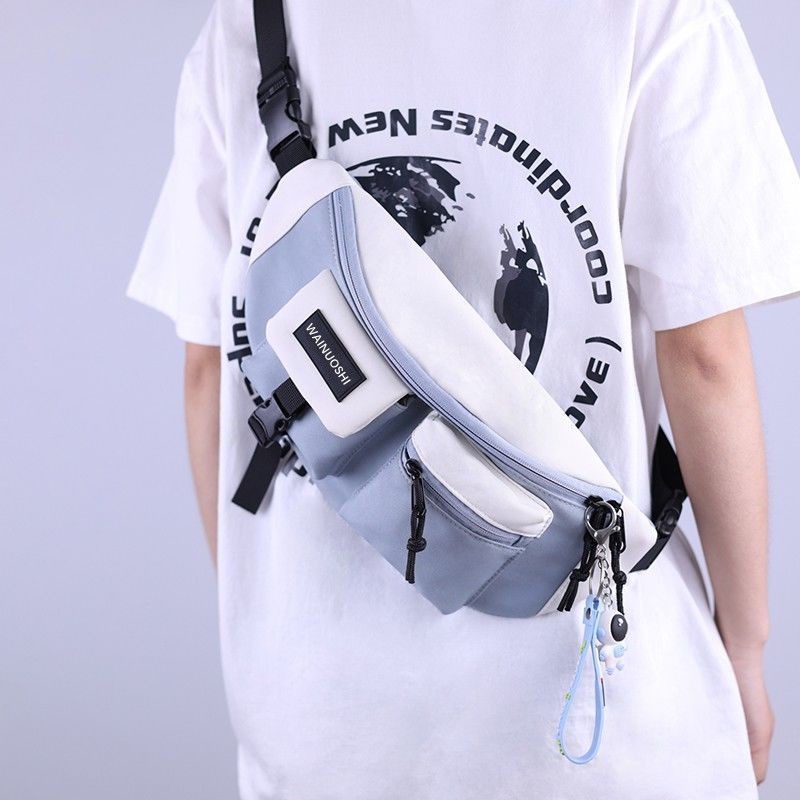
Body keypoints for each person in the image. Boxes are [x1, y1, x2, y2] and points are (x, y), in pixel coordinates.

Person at [128, 1, 800, 797]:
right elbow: (704, 357)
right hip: (594, 714)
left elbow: (208, 366)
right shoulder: (654, 14)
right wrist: (745, 649)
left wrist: (269, 616)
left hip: (320, 718)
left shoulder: (250, 20)